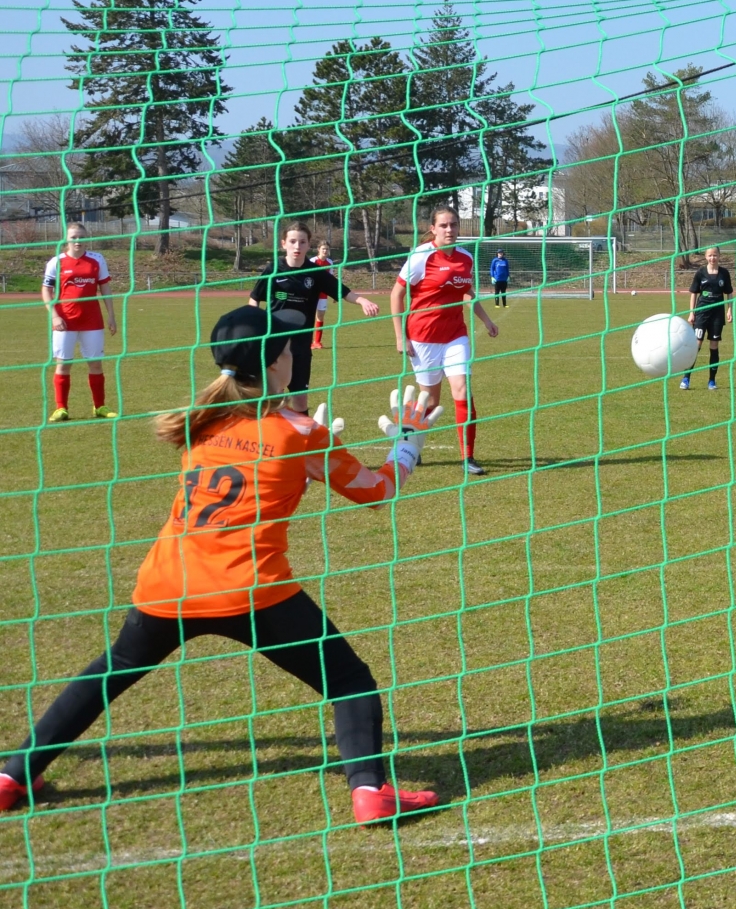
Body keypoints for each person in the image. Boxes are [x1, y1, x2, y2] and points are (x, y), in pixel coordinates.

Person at [0, 306, 442, 824]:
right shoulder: (299, 432)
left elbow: (253, 470)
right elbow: (379, 491)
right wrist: (408, 440)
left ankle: (12, 776)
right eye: (288, 348)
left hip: (169, 584)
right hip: (253, 591)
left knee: (109, 674)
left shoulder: (201, 421)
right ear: (277, 362)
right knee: (349, 682)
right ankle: (369, 791)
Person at [390, 207, 498, 475]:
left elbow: (467, 293)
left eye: (454, 225)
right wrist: (400, 336)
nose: (450, 230)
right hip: (423, 337)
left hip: (455, 336)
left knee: (462, 390)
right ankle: (410, 446)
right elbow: (397, 294)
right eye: (444, 225)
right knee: (431, 402)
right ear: (433, 228)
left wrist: (486, 320)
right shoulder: (420, 256)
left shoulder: (465, 258)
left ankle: (468, 457)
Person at [249, 224, 381, 414]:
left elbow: (343, 292)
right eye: (293, 241)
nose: (297, 246)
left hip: (300, 347)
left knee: (301, 401)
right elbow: (255, 297)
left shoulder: (316, 273)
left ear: (308, 244)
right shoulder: (273, 269)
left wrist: (362, 301)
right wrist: (253, 324)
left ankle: (302, 442)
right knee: (273, 399)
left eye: (302, 242)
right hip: (274, 345)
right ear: (284, 243)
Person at [42, 222, 117, 422]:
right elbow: (46, 291)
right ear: (67, 239)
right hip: (64, 322)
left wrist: (111, 315)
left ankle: (99, 407)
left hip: (92, 321)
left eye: (81, 237)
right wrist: (54, 315)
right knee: (63, 365)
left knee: (95, 364)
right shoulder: (56, 262)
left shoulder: (97, 260)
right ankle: (61, 409)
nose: (78, 241)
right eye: (74, 237)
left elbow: (105, 289)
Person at [683, 247, 733, 391]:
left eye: (715, 255)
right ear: (706, 257)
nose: (713, 258)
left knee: (714, 346)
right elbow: (693, 293)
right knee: (696, 345)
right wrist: (692, 313)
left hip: (717, 314)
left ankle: (712, 381)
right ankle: (686, 378)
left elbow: (729, 293)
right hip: (701, 313)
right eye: (710, 255)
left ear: (719, 256)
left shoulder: (724, 273)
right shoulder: (700, 272)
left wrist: (729, 309)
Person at [309, 238, 336, 350]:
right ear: (318, 249)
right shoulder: (312, 261)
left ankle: (317, 342)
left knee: (320, 316)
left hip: (323, 294)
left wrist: (334, 294)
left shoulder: (330, 263)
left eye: (327, 249)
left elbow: (331, 280)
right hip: (311, 293)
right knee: (308, 317)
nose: (325, 251)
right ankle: (307, 342)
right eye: (323, 249)